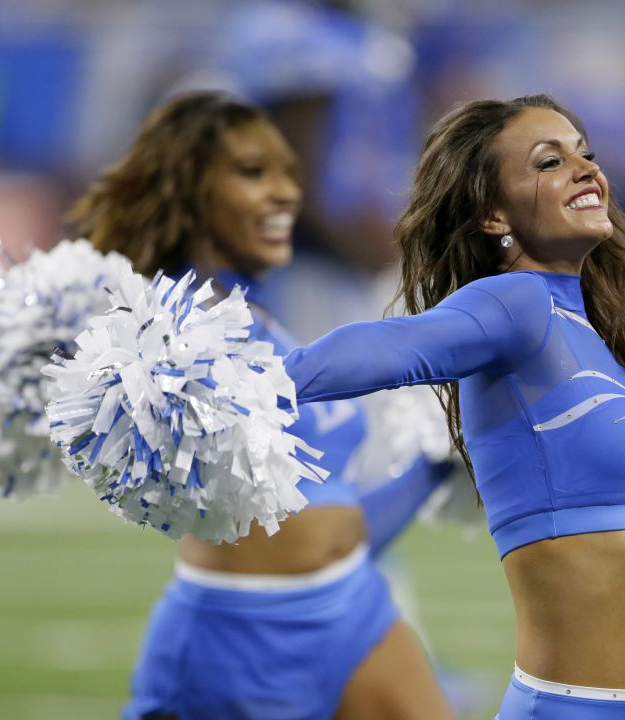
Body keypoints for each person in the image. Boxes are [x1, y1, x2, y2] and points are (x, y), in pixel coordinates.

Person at [276, 94, 625, 719]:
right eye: (550, 161)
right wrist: (262, 381)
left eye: (587, 154)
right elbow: (397, 346)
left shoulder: (609, 336)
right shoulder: (513, 306)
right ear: (494, 216)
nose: (586, 169)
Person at [67, 91, 455, 720]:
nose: (286, 194)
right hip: (237, 639)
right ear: (190, 190)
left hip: (351, 608)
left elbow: (330, 523)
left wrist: (437, 461)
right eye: (254, 173)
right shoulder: (157, 332)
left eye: (290, 175)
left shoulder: (265, 323)